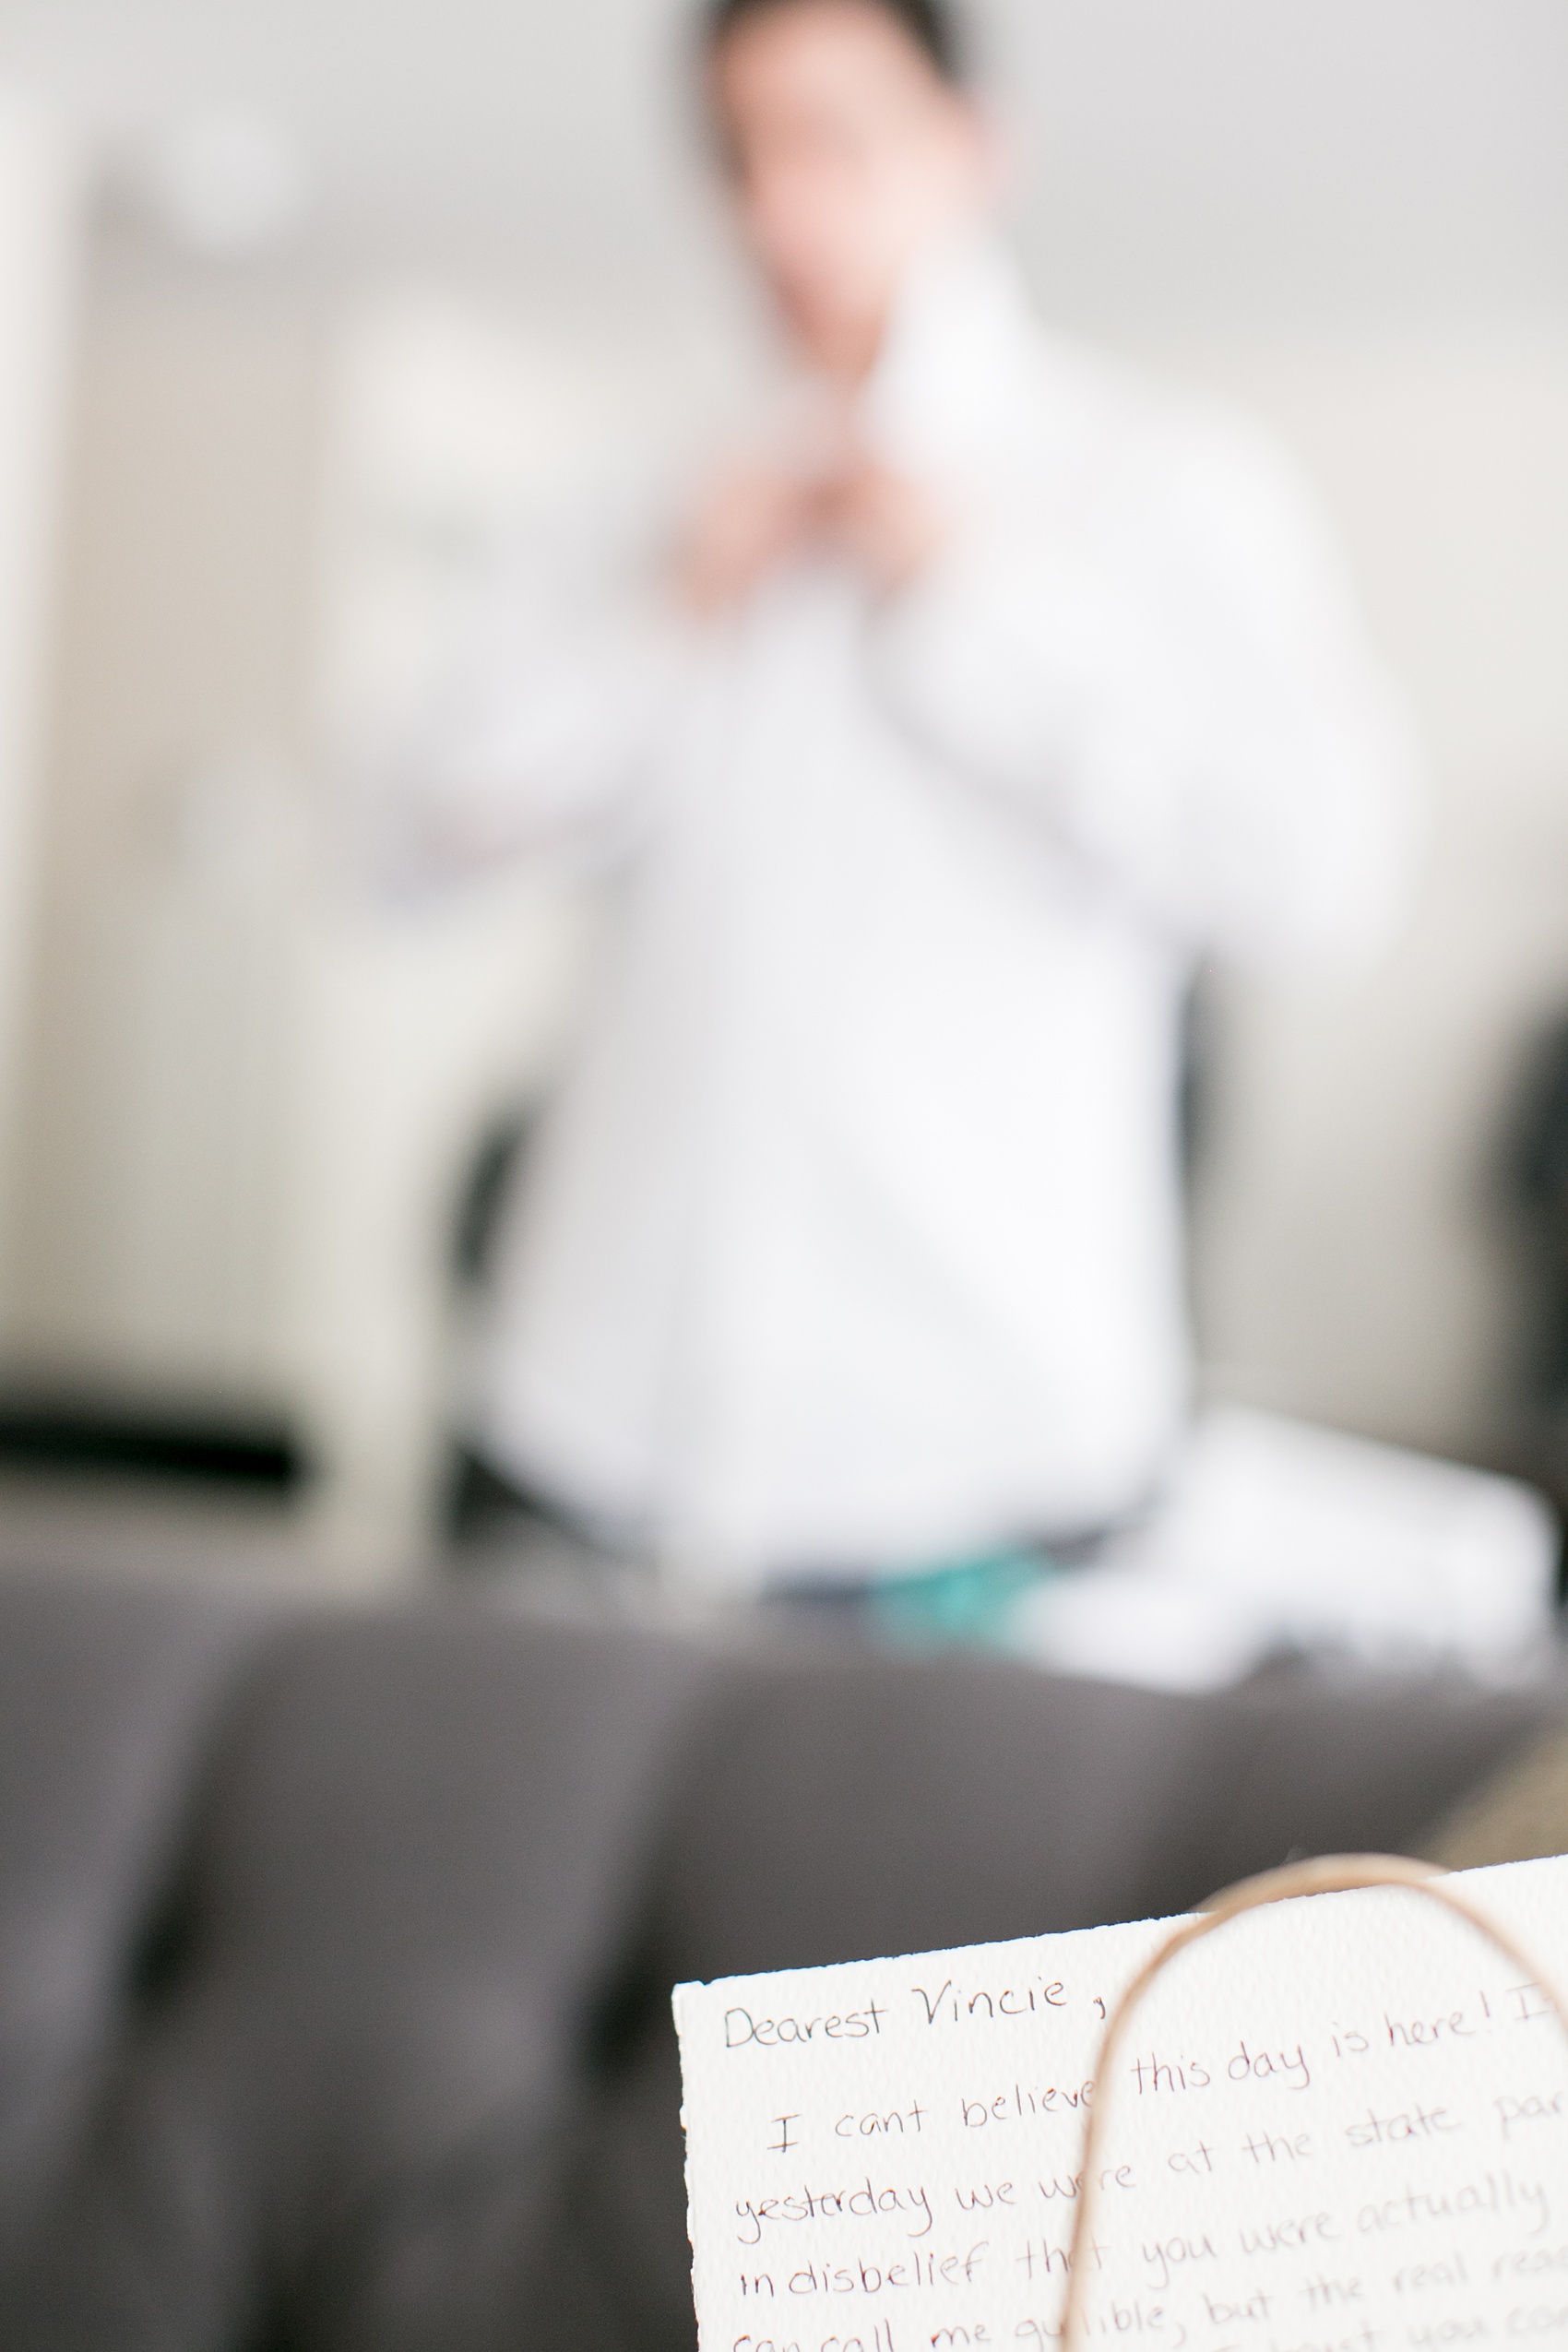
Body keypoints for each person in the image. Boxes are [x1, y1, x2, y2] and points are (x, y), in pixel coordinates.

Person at [391, 0, 1417, 1592]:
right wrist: (657, 623)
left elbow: (1325, 878)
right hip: (592, 1428)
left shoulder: (1162, 489)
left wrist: (974, 606)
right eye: (738, 154)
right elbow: (397, 846)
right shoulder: (630, 505)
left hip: (980, 1459)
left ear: (974, 150)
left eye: (834, 141)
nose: (780, 209)